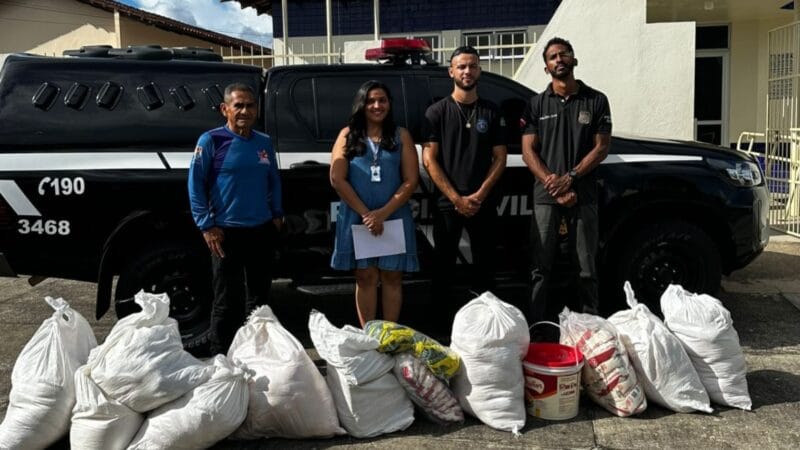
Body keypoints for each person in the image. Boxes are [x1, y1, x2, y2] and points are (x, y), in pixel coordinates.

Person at [521, 37, 612, 331]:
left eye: (564, 54)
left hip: (582, 194)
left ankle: (592, 330)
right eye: (552, 57)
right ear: (546, 67)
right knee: (540, 268)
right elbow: (528, 150)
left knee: (586, 267)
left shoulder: (596, 100)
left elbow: (601, 148)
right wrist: (552, 184)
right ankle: (538, 328)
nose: (558, 59)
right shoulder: (536, 104)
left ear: (574, 59)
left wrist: (570, 178)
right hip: (546, 197)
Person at [188, 83, 284, 355]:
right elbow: (195, 186)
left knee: (259, 300)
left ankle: (256, 354)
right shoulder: (211, 141)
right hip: (225, 234)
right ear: (225, 109)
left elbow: (273, 180)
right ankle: (221, 358)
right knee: (226, 301)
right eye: (238, 105)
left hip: (261, 231)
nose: (244, 111)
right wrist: (206, 225)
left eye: (250, 105)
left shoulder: (263, 142)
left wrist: (277, 214)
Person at [422, 46, 508, 312]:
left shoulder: (492, 112)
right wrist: (456, 198)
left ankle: (484, 323)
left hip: (483, 201)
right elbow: (429, 160)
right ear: (451, 72)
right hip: (448, 203)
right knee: (443, 265)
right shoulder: (435, 112)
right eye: (461, 66)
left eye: (472, 66)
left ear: (479, 70)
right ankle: (441, 323)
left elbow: (500, 158)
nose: (467, 71)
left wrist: (479, 195)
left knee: (485, 266)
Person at [330, 80, 420, 327]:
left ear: (390, 104)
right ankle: (370, 335)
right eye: (370, 101)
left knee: (392, 276)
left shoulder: (401, 135)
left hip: (393, 216)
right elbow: (337, 178)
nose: (377, 105)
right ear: (361, 104)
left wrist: (382, 214)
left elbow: (411, 180)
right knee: (365, 276)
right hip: (358, 218)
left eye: (382, 100)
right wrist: (368, 215)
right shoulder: (347, 135)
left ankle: (389, 335)